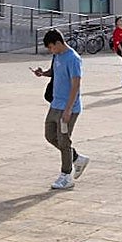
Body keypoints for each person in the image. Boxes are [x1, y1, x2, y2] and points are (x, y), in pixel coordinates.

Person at [31, 28, 88, 190]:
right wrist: (43, 73)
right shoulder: (57, 55)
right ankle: (76, 158)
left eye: (51, 47)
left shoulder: (73, 59)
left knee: (64, 140)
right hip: (55, 104)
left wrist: (68, 109)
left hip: (68, 107)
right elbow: (55, 72)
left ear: (58, 43)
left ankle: (66, 175)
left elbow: (76, 85)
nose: (50, 51)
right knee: (50, 136)